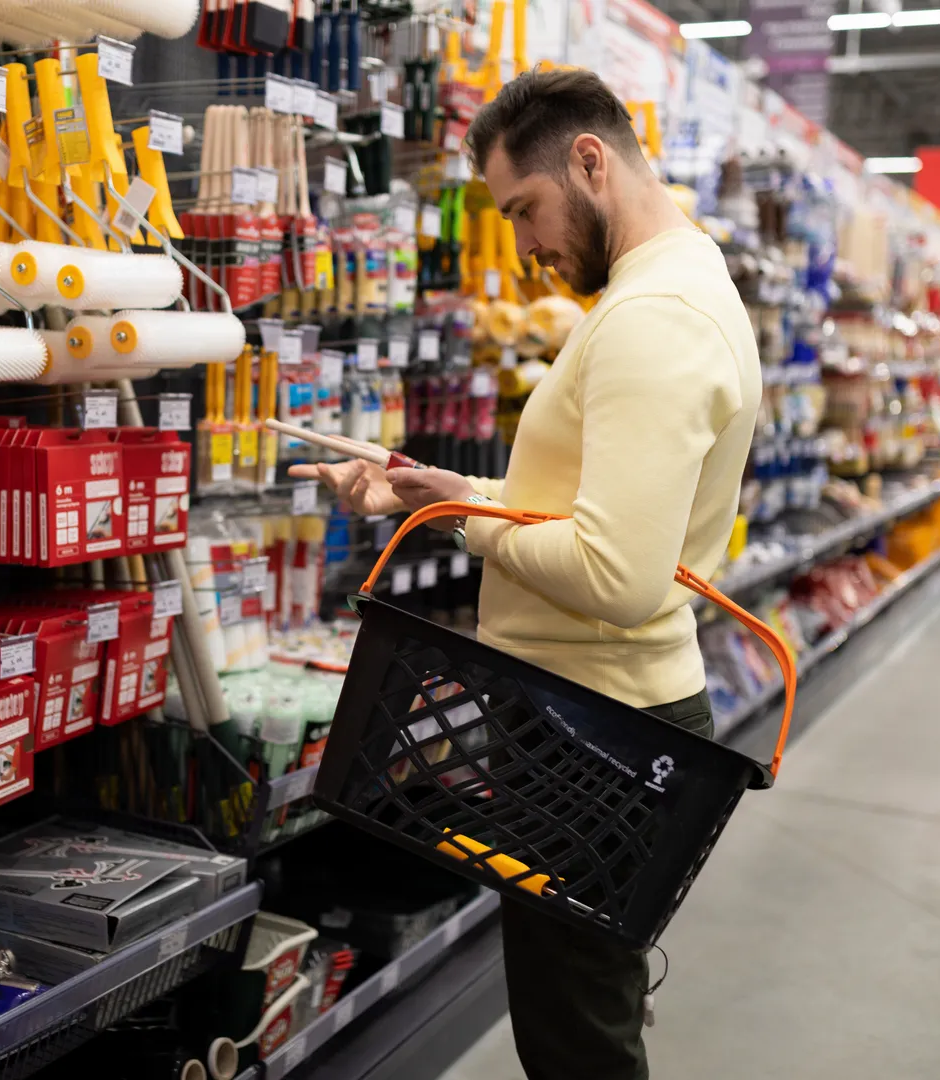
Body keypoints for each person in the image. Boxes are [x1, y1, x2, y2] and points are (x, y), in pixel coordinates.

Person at [290, 67, 761, 1080]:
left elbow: (617, 572)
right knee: (578, 1016)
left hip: (598, 734)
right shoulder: (658, 292)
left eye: (525, 209)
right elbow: (580, 507)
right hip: (591, 721)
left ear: (590, 161)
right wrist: (433, 491)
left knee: (576, 1042)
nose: (524, 245)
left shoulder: (653, 319)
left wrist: (465, 525)